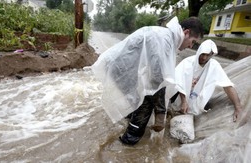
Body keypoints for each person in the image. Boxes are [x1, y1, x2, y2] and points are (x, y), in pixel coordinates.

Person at [91, 16, 204, 145]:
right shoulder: (164, 39)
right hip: (120, 67)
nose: (190, 46)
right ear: (186, 32)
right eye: (193, 42)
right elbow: (156, 76)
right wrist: (161, 113)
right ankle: (128, 143)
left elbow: (158, 75)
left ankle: (130, 124)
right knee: (146, 101)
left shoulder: (167, 37)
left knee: (140, 98)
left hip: (123, 66)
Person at [170, 39, 242, 121]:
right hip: (179, 103)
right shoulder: (187, 63)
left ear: (212, 55)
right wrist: (184, 102)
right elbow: (179, 83)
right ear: (199, 51)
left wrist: (238, 107)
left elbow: (228, 86)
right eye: (203, 54)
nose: (204, 58)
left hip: (197, 109)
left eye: (208, 55)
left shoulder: (214, 66)